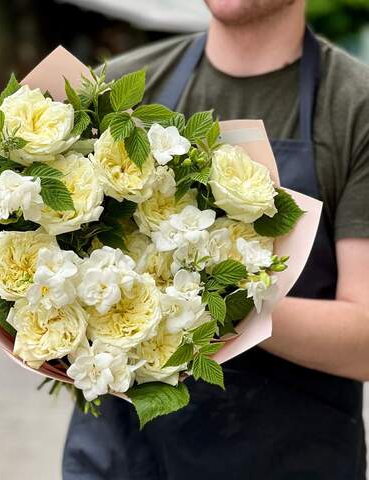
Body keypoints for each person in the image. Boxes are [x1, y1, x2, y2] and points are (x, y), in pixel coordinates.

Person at [63, 1, 369, 478]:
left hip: (292, 459)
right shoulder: (114, 92)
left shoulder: (354, 106)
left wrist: (210, 300)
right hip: (125, 459)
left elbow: (364, 337)